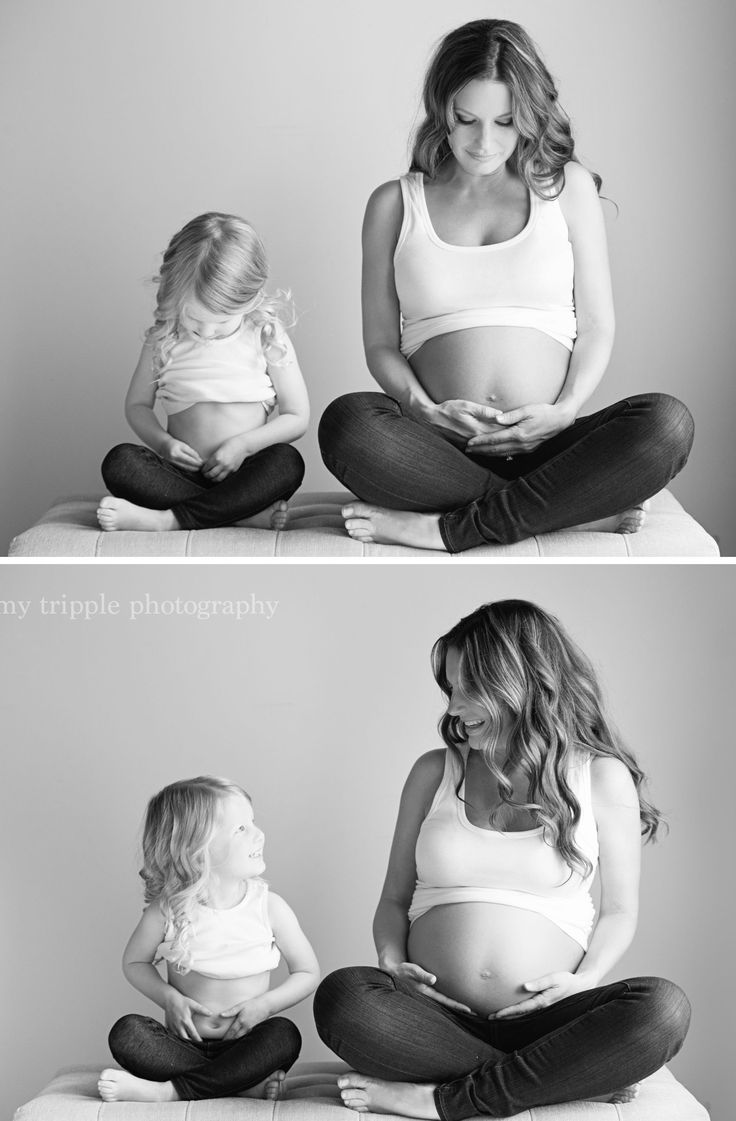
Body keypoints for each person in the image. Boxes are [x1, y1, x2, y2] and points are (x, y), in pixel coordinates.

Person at [318, 20, 693, 552]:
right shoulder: (393, 204)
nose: (484, 142)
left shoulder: (567, 189)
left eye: (505, 121)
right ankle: (560, 512)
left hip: (552, 443)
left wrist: (563, 411)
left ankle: (455, 528)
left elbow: (597, 326)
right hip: (440, 447)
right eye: (466, 120)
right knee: (347, 424)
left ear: (530, 116)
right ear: (440, 109)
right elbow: (379, 342)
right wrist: (425, 410)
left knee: (666, 424)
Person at [313, 600, 691, 1118]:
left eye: (469, 688)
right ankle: (554, 1077)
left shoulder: (599, 776)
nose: (452, 708)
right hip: (434, 1016)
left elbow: (620, 910)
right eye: (450, 689)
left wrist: (585, 980)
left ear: (521, 681)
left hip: (550, 1017)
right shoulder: (434, 771)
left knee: (662, 1009)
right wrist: (390, 962)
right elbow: (394, 898)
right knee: (344, 996)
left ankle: (452, 1099)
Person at [98, 776, 320, 1103]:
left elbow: (308, 972)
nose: (259, 834)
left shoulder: (269, 907)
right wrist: (168, 999)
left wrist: (265, 1006)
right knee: (127, 1033)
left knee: (284, 1034)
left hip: (246, 1043)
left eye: (253, 823)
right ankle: (237, 1084)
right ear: (196, 849)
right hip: (183, 1046)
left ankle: (173, 1091)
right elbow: (134, 962)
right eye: (240, 829)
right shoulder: (168, 911)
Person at [98, 213, 309, 532]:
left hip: (243, 472)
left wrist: (244, 446)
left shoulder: (266, 335)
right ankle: (238, 516)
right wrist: (164, 444)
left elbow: (297, 416)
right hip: (181, 474)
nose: (207, 332)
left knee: (287, 463)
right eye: (195, 320)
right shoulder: (164, 338)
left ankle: (170, 520)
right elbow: (137, 406)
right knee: (120, 462)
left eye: (222, 321)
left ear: (250, 298)